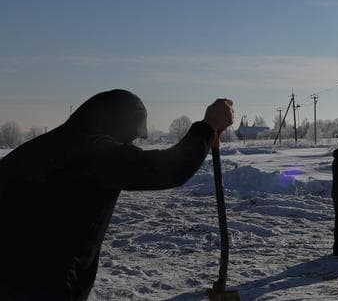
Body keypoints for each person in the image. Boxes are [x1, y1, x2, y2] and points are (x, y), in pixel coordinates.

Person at [0, 90, 234, 300]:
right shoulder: (92, 152)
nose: (130, 145)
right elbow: (168, 170)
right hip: (36, 284)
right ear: (117, 125)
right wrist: (208, 126)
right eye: (130, 138)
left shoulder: (41, 148)